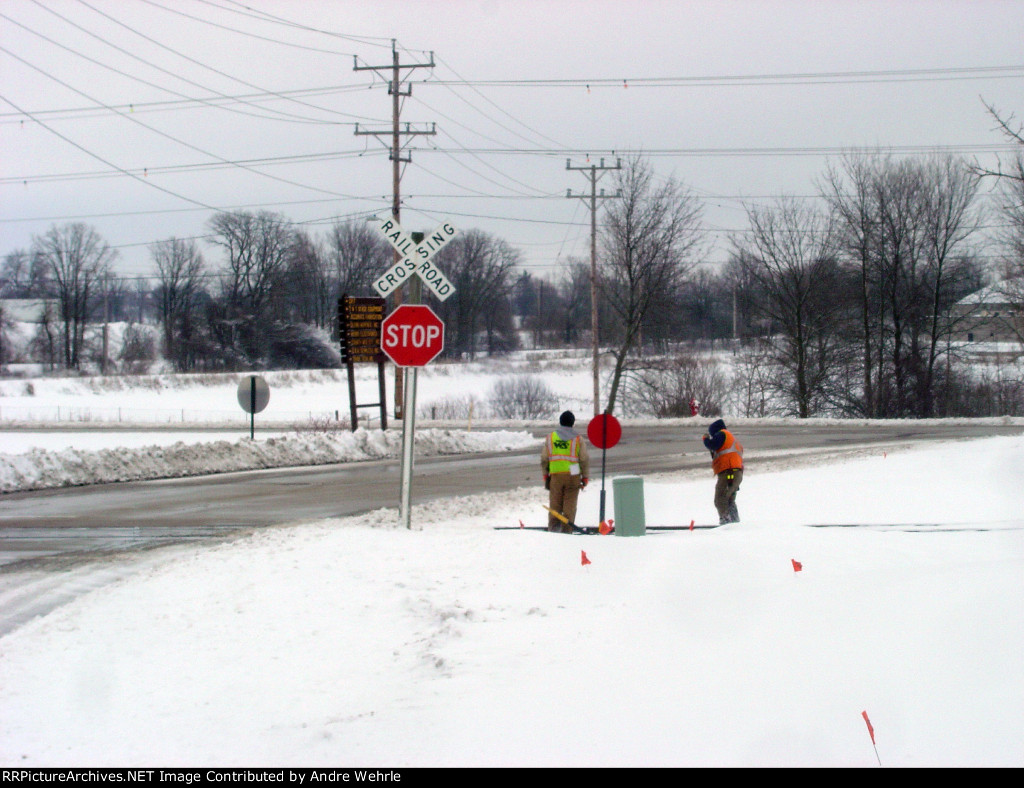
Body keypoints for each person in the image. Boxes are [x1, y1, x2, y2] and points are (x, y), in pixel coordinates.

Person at [541, 410, 591, 533]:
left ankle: (553, 530)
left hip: (556, 476)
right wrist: (585, 477)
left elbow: (544, 458)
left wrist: (545, 474)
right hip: (573, 476)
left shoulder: (551, 437)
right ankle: (566, 532)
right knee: (569, 507)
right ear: (573, 423)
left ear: (560, 421)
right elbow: (584, 459)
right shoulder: (578, 439)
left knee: (555, 506)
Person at [702, 418, 743, 524]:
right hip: (736, 474)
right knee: (729, 499)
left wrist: (705, 439)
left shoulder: (721, 434)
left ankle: (725, 521)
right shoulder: (731, 438)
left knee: (720, 498)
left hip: (728, 472)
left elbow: (712, 445)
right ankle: (734, 521)